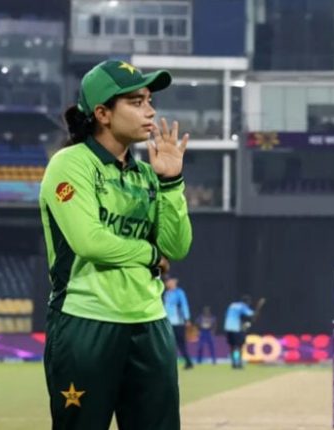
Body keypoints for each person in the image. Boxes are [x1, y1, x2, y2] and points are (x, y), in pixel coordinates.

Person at [39, 60, 192, 428]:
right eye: (136, 102)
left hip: (150, 322)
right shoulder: (71, 163)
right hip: (86, 321)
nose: (150, 111)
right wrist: (150, 255)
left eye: (149, 100)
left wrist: (171, 183)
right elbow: (90, 242)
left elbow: (177, 246)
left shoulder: (146, 174)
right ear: (103, 113)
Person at [224, 295, 266, 369]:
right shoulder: (242, 306)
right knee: (238, 347)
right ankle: (238, 363)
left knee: (232, 347)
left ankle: (234, 363)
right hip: (235, 328)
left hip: (227, 328)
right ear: (247, 302)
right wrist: (258, 308)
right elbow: (252, 314)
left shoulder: (232, 305)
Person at [163, 276, 194, 370]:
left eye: (169, 281)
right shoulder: (166, 293)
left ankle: (188, 362)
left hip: (178, 322)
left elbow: (184, 305)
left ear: (174, 281)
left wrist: (187, 319)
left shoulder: (179, 292)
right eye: (166, 281)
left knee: (180, 343)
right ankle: (170, 364)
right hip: (168, 323)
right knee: (168, 344)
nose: (167, 283)